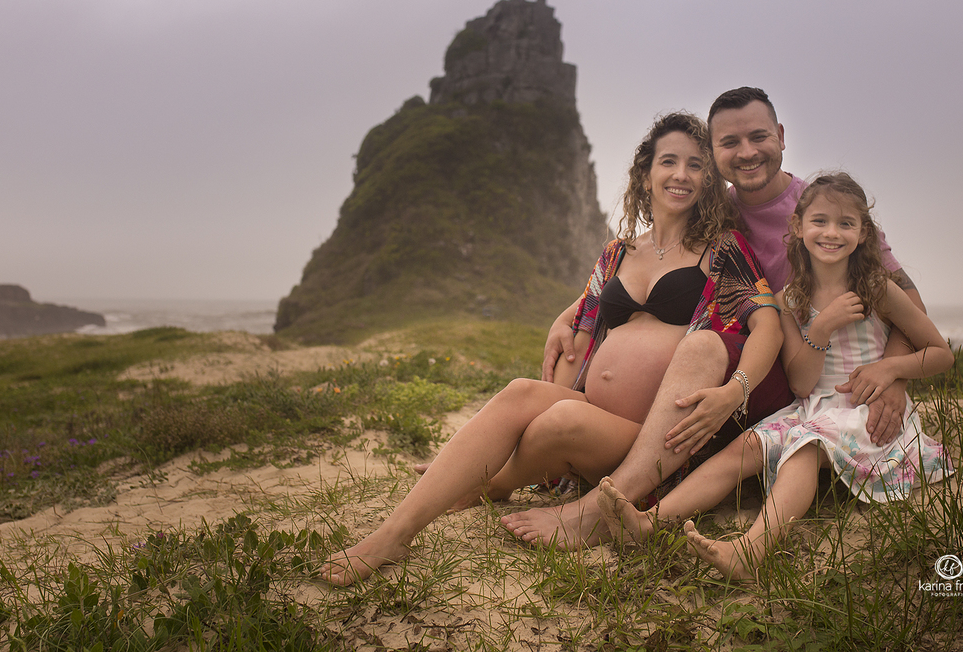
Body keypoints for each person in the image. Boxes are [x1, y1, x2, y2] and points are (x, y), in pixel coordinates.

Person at [320, 112, 791, 585]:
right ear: (646, 174)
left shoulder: (722, 248)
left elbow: (766, 325)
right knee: (521, 392)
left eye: (696, 165)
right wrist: (560, 322)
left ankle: (520, 492)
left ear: (709, 181)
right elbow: (584, 317)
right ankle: (397, 531)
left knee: (560, 421)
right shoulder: (618, 252)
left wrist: (737, 389)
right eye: (669, 162)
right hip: (595, 413)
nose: (681, 175)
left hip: (659, 443)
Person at [512, 87, 926, 549]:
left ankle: (613, 502)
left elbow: (907, 304)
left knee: (707, 351)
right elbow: (646, 269)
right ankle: (541, 474)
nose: (747, 152)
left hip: (810, 377)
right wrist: (571, 315)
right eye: (730, 142)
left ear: (782, 136)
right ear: (712, 152)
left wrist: (893, 374)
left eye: (758, 137)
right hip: (786, 369)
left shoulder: (824, 211)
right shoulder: (712, 209)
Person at [597, 172, 954, 581]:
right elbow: (801, 384)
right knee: (744, 448)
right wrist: (820, 330)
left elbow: (940, 354)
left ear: (864, 232)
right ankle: (650, 523)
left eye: (846, 223)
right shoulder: (789, 300)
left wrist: (889, 368)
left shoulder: (878, 290)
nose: (831, 233)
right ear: (799, 227)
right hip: (812, 407)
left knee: (805, 445)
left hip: (864, 415)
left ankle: (752, 551)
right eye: (820, 221)